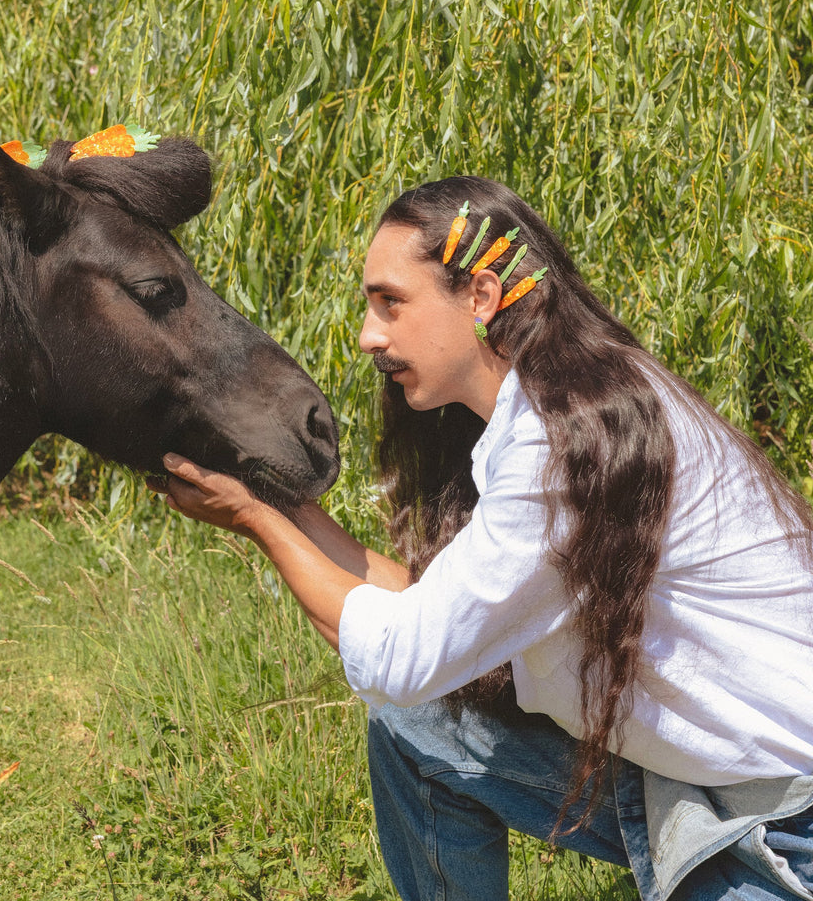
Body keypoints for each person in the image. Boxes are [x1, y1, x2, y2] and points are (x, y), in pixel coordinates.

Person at [150, 176, 813, 901]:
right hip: (687, 782)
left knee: (406, 696)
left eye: (390, 303)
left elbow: (403, 658)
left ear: (482, 298)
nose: (370, 335)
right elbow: (430, 616)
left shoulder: (565, 456)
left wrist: (255, 519)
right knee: (418, 726)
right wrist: (274, 498)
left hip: (784, 824)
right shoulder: (559, 405)